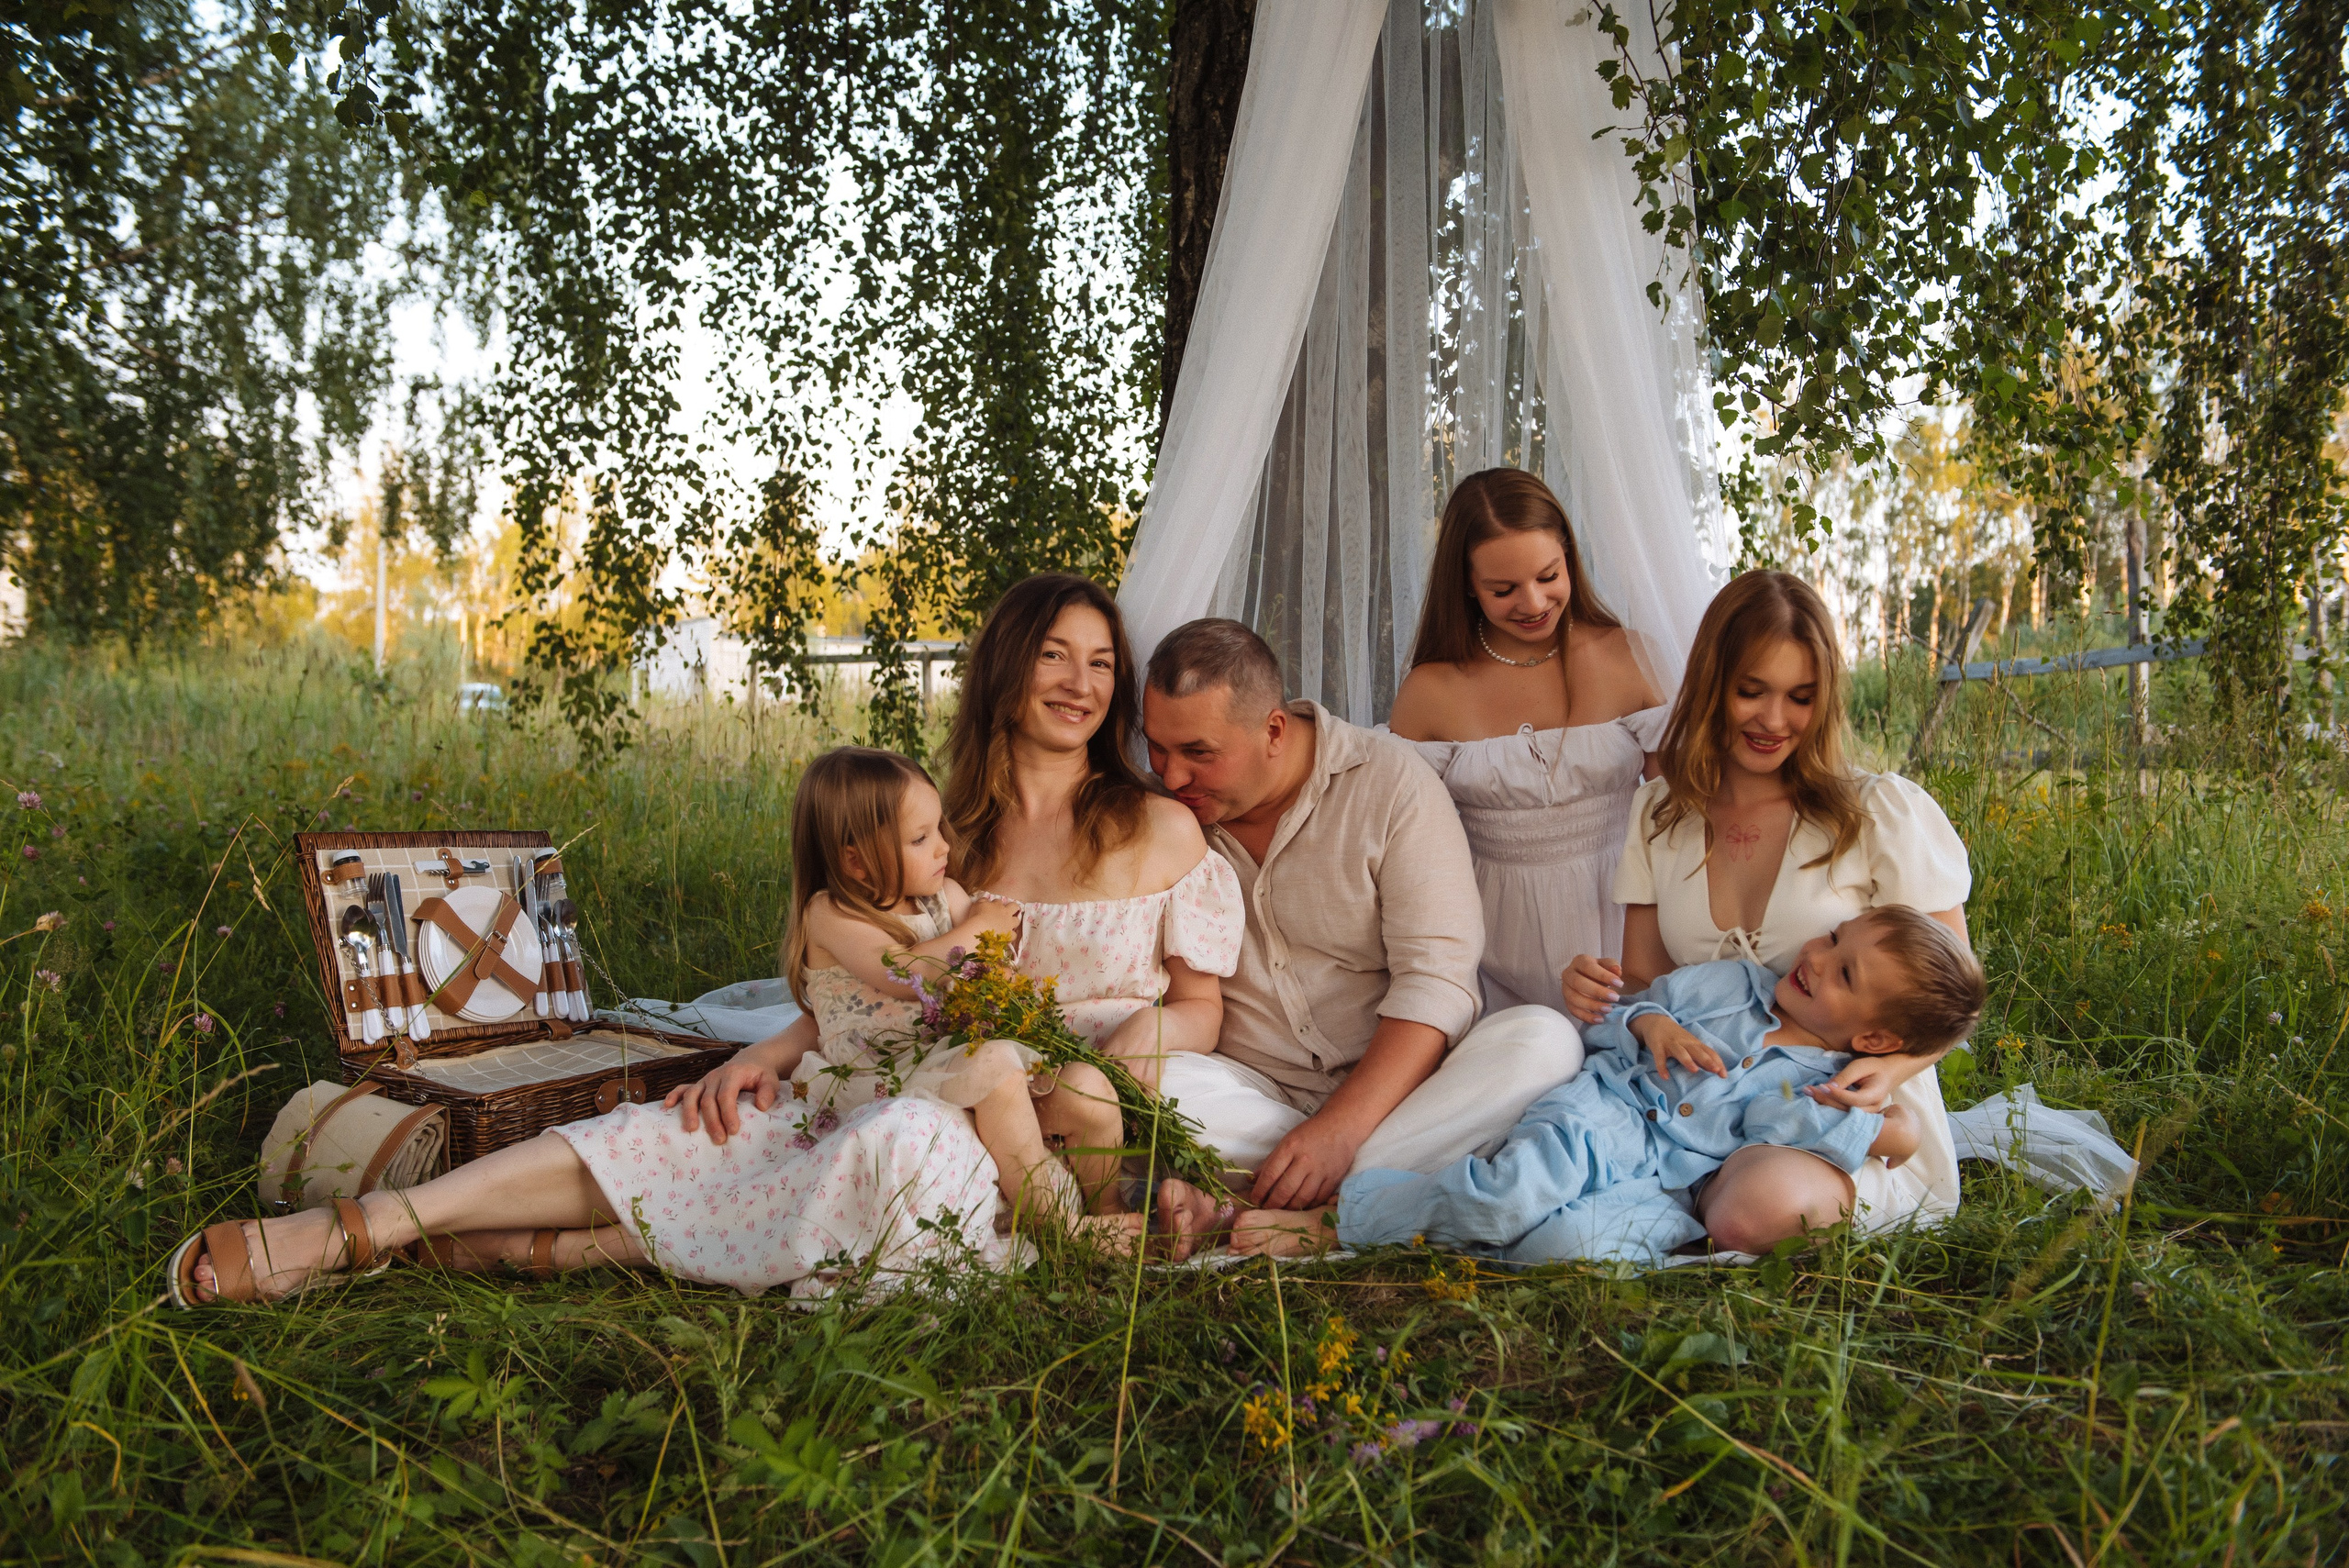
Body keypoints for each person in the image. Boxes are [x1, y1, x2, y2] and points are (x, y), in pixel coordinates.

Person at [170, 573, 1244, 1305]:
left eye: (1102, 662)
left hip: (1075, 1091)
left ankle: (545, 1249)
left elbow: (1199, 1005)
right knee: (695, 1128)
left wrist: (1098, 1072)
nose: (1079, 682)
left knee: (881, 1156)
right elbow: (859, 993)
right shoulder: (933, 833)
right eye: (1054, 655)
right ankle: (369, 1226)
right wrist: (753, 1056)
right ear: (1005, 670)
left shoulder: (1154, 821)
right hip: (912, 1065)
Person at [1560, 570, 1975, 1251]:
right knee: (1539, 1084)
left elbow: (1955, 999)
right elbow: (1642, 981)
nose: (1774, 720)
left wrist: (1890, 1073)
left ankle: (1699, 1205)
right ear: (1713, 682)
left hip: (1826, 1122)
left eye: (1800, 697)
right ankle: (1667, 1186)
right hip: (1684, 1111)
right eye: (1751, 690)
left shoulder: (1878, 812)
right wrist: (1596, 991)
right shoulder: (1660, 813)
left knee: (1759, 1207)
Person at [1205, 905, 1985, 1264]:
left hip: (1665, 1186)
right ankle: (1341, 1226)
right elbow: (1623, 1012)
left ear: (1877, 1039)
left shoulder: (1820, 1086)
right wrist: (1651, 1026)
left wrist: (1897, 1122)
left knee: (1561, 1247)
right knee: (1510, 1192)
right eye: (1834, 936)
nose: (1816, 955)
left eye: (1844, 971)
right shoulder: (1732, 985)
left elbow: (1877, 1140)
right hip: (1601, 1116)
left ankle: (1449, 1238)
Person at [1141, 617, 1584, 1216]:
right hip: (1253, 1096)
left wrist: (1340, 1132)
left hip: (1407, 1093)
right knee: (1151, 1077)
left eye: (1198, 753)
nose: (1172, 775)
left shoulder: (1392, 784)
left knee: (1544, 1043)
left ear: (1274, 729)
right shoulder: (1156, 817)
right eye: (1157, 747)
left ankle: (1268, 1204)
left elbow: (1438, 982)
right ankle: (1361, 1197)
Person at [1386, 468, 1668, 1013]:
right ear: (1467, 583)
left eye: (1548, 575)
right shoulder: (1431, 692)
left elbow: (1676, 819)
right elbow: (1406, 850)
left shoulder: (1628, 656)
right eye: (1504, 589)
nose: (1534, 602)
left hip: (1625, 927)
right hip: (1489, 949)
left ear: (1569, 556)